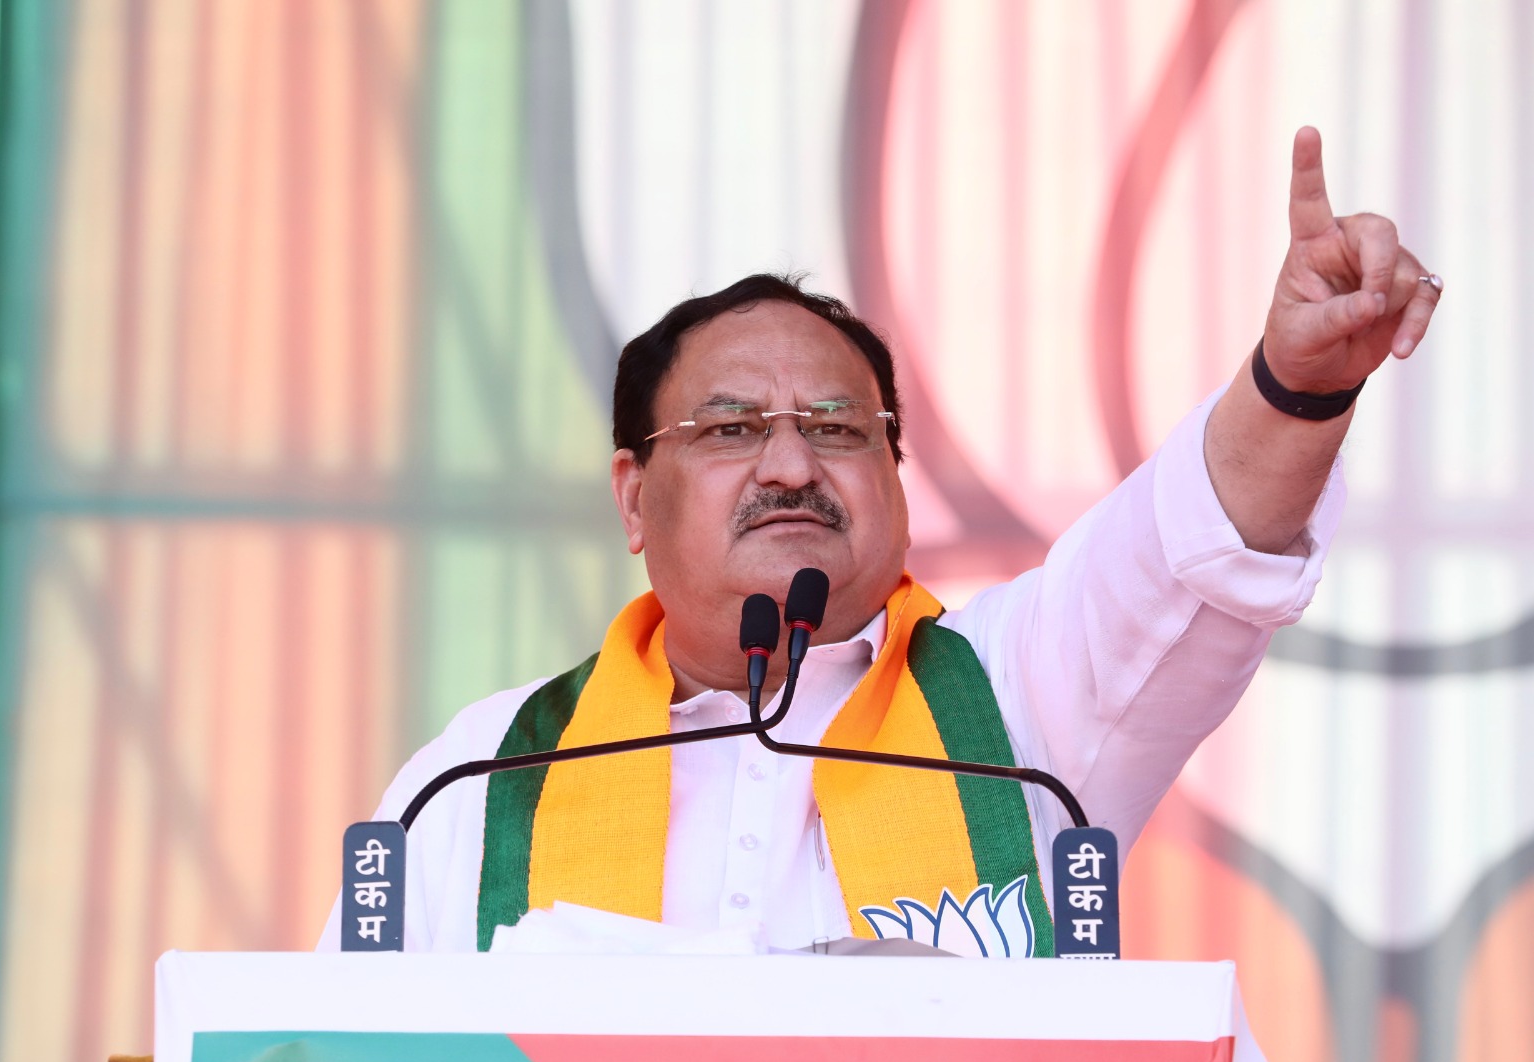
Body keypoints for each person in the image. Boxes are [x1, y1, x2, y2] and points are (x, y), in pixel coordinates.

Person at [319, 128, 1441, 956]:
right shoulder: (480, 778)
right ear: (631, 498)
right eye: (730, 429)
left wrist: (1293, 386)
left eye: (839, 428)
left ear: (894, 477)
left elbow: (1187, 544)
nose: (791, 466)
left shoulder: (1012, 692)